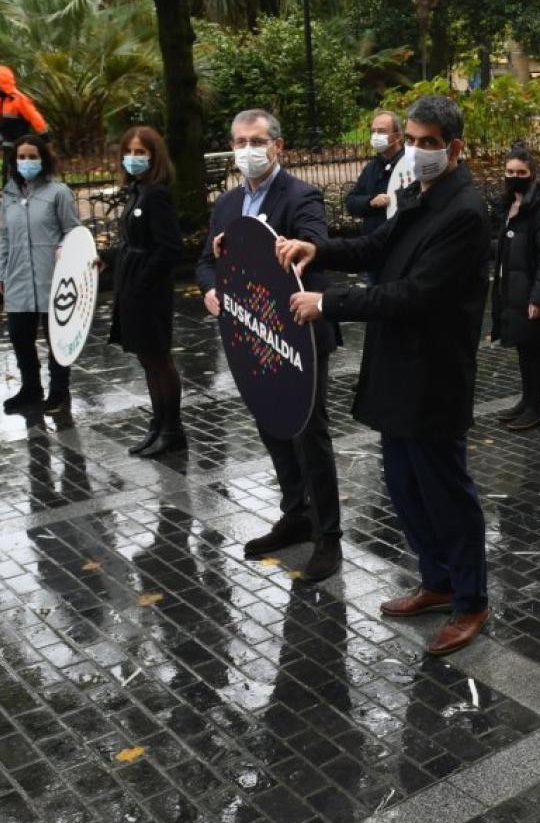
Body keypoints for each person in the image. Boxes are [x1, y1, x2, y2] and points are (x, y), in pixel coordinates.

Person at [275, 95, 492, 657]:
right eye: (413, 140)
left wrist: (327, 304)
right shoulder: (419, 195)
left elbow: (416, 294)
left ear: (454, 148)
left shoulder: (464, 210)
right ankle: (437, 581)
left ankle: (470, 600)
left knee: (446, 492)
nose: (417, 151)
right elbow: (377, 245)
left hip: (435, 375)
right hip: (398, 369)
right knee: (403, 486)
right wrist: (315, 247)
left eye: (427, 142)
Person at [197, 109, 342, 582]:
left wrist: (282, 246)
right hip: (251, 338)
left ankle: (328, 537)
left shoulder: (301, 195)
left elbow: (315, 243)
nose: (247, 150)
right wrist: (210, 288)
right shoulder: (226, 203)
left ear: (278, 146)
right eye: (239, 141)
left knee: (308, 432)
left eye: (257, 140)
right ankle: (295, 513)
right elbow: (205, 263)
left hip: (298, 335)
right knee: (272, 426)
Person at [107, 126, 184, 458]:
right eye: (130, 152)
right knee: (146, 360)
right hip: (131, 287)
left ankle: (172, 429)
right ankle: (157, 423)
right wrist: (106, 259)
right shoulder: (138, 191)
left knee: (158, 358)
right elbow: (133, 242)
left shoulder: (157, 194)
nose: (134, 158)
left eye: (142, 152)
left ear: (154, 157)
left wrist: (141, 283)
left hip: (148, 292)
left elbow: (169, 248)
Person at [488, 144, 540, 432]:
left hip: (533, 292)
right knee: (525, 350)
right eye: (510, 172)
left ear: (533, 174)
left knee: (535, 352)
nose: (514, 176)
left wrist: (539, 297)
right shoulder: (510, 204)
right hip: (514, 289)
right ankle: (527, 400)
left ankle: (537, 406)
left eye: (521, 172)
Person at [0, 134, 81, 415]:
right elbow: (4, 236)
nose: (27, 162)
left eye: (32, 157)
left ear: (43, 160)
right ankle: (31, 387)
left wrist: (66, 251)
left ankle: (58, 391)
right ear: (13, 160)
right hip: (18, 276)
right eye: (22, 157)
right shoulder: (8, 196)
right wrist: (0, 271)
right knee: (20, 336)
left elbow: (73, 230)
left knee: (57, 337)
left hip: (52, 276)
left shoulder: (58, 192)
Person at [0, 66, 49, 187]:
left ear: (1, 83)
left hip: (21, 142)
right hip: (7, 142)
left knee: (18, 169)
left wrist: (44, 134)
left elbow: (34, 116)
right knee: (7, 169)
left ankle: (22, 192)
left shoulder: (19, 99)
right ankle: (7, 195)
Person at [345, 110, 405, 238]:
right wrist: (370, 201)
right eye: (373, 131)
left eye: (382, 131)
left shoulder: (409, 165)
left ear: (398, 136)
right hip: (372, 242)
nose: (376, 136)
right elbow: (351, 201)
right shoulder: (372, 166)